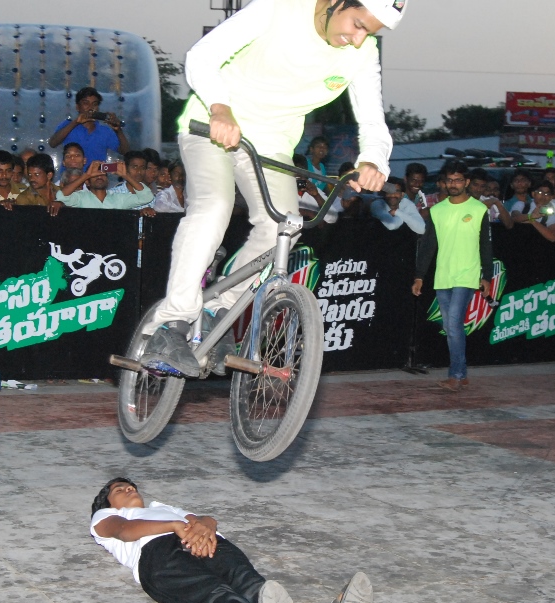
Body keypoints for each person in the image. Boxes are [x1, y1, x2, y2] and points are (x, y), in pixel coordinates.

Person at [139, 0, 400, 377]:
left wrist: (373, 161)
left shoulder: (362, 53)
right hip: (212, 126)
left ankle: (217, 312)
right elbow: (202, 55)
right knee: (214, 206)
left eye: (369, 33)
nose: (359, 39)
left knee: (285, 227)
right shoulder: (280, 8)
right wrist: (220, 108)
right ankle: (170, 325)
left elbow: (374, 122)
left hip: (270, 146)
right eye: (357, 24)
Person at [90, 477, 373, 603]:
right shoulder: (104, 517)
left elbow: (201, 519)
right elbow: (124, 531)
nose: (129, 489)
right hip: (158, 555)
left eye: (130, 486)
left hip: (207, 542)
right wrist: (175, 527)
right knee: (216, 596)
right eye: (119, 490)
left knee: (251, 584)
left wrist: (206, 526)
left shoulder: (160, 507)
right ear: (107, 503)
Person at [412, 161, 493, 392]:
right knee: (450, 326)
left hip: (467, 275)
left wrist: (486, 276)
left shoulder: (479, 209)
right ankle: (462, 373)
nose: (453, 184)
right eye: (449, 180)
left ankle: (456, 375)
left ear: (466, 182)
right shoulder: (437, 211)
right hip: (443, 275)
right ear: (444, 183)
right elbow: (428, 246)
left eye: (458, 180)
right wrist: (419, 276)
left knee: (454, 324)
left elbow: (485, 245)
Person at [48, 86, 129, 169]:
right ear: (77, 107)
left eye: (95, 104)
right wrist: (76, 122)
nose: (90, 107)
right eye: (86, 103)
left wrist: (118, 130)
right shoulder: (68, 125)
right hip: (70, 176)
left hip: (96, 176)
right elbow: (52, 143)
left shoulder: (105, 131)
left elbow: (125, 152)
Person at [60, 159, 153, 210]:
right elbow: (61, 196)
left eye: (102, 174)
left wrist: (125, 175)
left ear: (108, 180)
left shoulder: (119, 199)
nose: (99, 177)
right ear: (87, 182)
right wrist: (86, 175)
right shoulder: (81, 197)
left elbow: (147, 197)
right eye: (95, 175)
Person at [293, 154, 343, 224]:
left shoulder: (313, 190)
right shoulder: (283, 190)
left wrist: (317, 196)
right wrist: (308, 213)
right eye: (296, 173)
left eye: (302, 172)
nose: (300, 176)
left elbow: (333, 218)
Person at [108, 149, 156, 214]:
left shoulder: (151, 196)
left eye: (142, 168)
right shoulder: (114, 194)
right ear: (126, 168)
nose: (139, 171)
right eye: (134, 167)